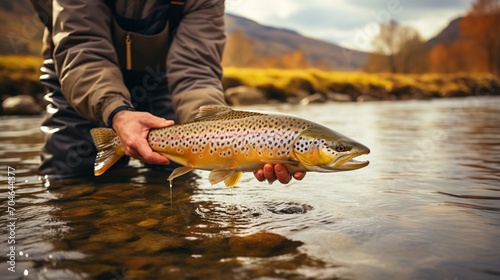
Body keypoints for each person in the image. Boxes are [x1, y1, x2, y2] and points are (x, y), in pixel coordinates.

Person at [31, 0, 305, 184]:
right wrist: (116, 111)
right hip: (79, 71)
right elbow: (82, 48)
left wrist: (222, 134)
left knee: (174, 177)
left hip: (161, 77)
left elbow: (195, 69)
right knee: (68, 182)